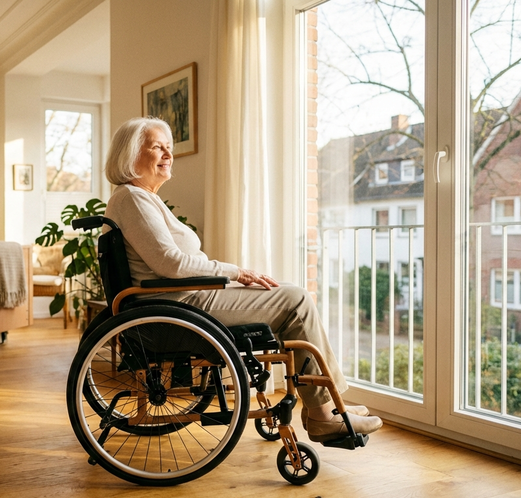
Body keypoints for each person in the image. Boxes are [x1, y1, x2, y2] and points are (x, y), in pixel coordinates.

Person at [102, 117, 382, 443]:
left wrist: (232, 276)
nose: (167, 154)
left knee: (289, 294)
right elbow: (170, 263)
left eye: (169, 147)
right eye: (157, 147)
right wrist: (235, 272)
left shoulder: (139, 198)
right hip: (179, 306)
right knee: (295, 300)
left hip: (182, 300)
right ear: (130, 154)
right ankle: (323, 413)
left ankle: (326, 406)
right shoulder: (132, 198)